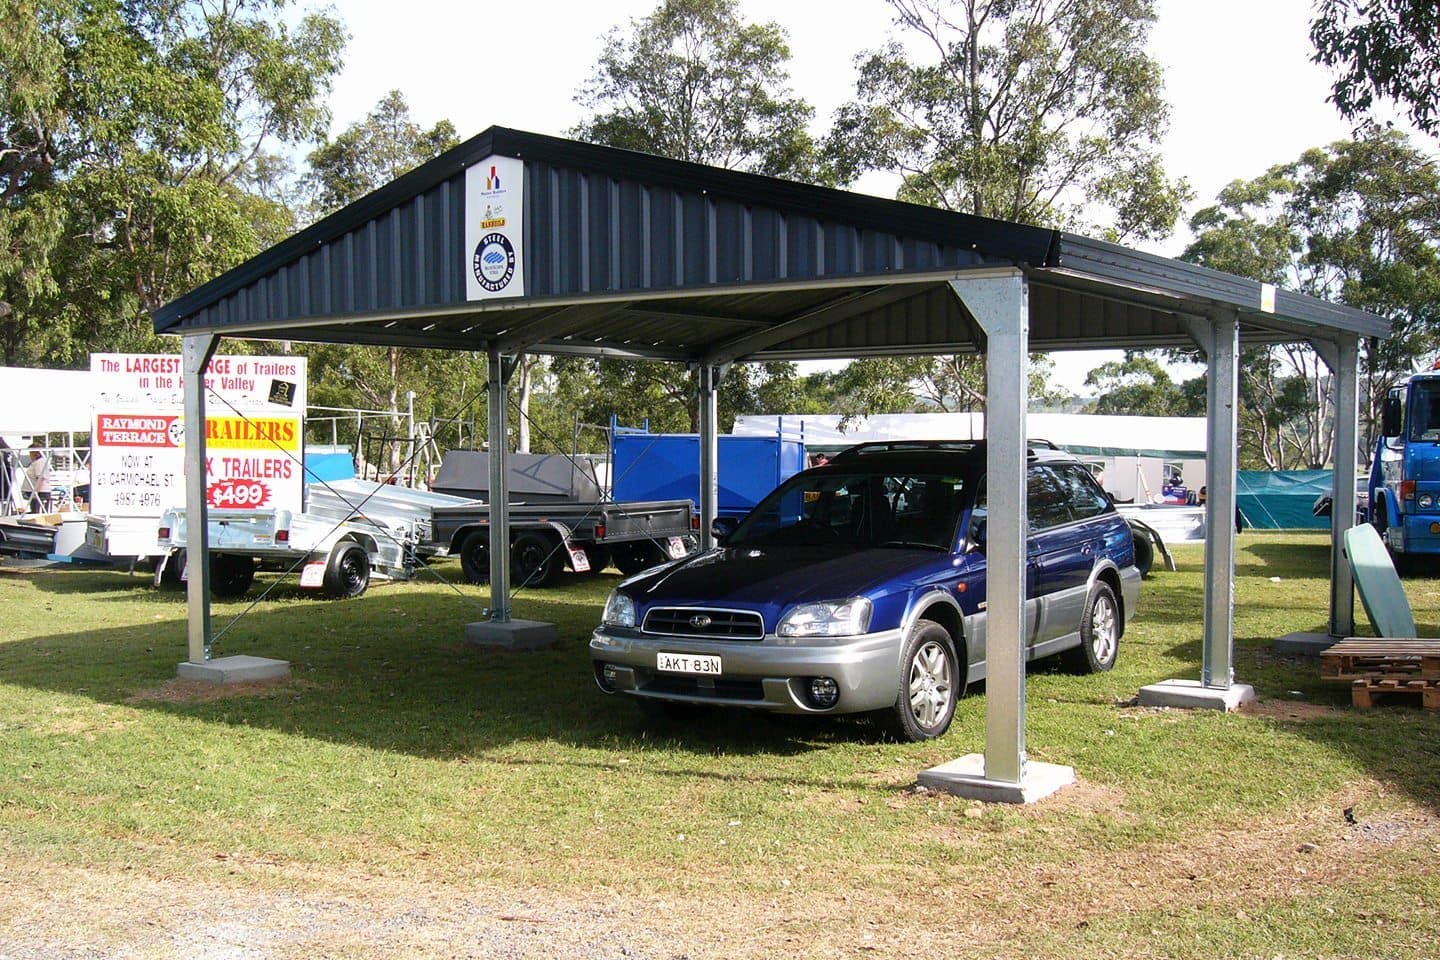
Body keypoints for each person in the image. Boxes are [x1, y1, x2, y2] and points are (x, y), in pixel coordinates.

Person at [23, 446, 52, 513]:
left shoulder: (40, 462)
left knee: (36, 511)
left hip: (40, 492)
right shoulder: (36, 462)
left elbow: (40, 478)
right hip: (36, 491)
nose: (29, 455)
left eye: (30, 453)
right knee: (33, 510)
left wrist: (36, 492)